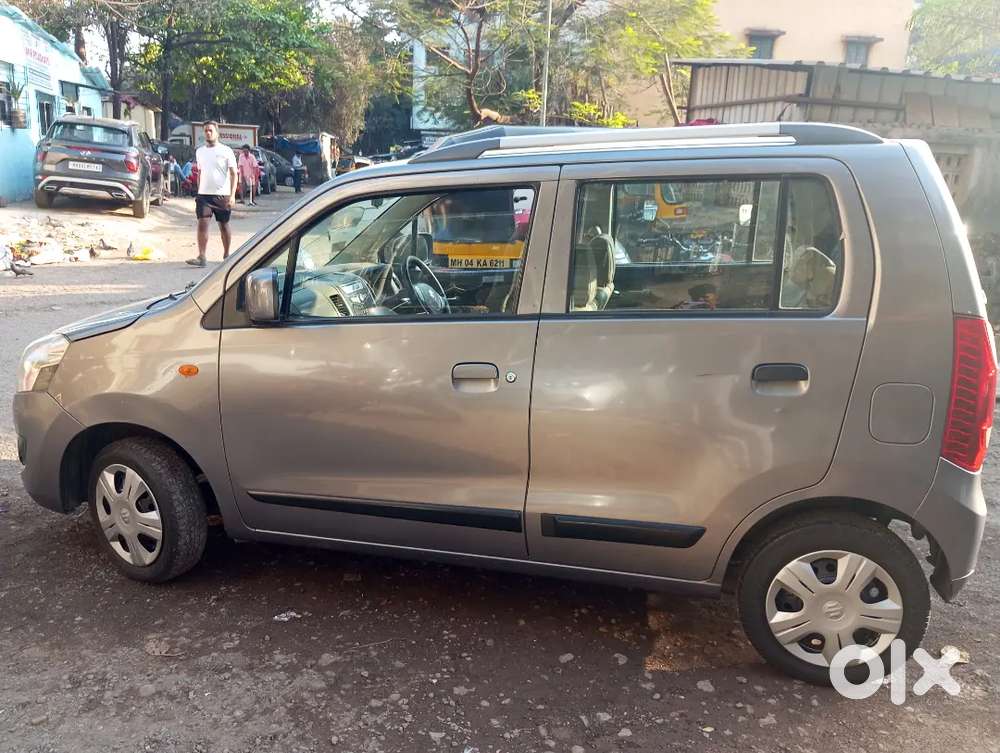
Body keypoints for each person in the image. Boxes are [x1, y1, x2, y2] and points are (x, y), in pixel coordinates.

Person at [187, 121, 237, 268]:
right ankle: (202, 256)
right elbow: (200, 172)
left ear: (217, 132)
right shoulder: (200, 151)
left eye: (210, 130)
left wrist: (232, 195)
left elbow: (234, 174)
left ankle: (227, 254)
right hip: (204, 195)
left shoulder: (226, 151)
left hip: (222, 195)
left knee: (223, 225)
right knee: (202, 223)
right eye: (206, 131)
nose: (208, 133)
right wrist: (198, 191)